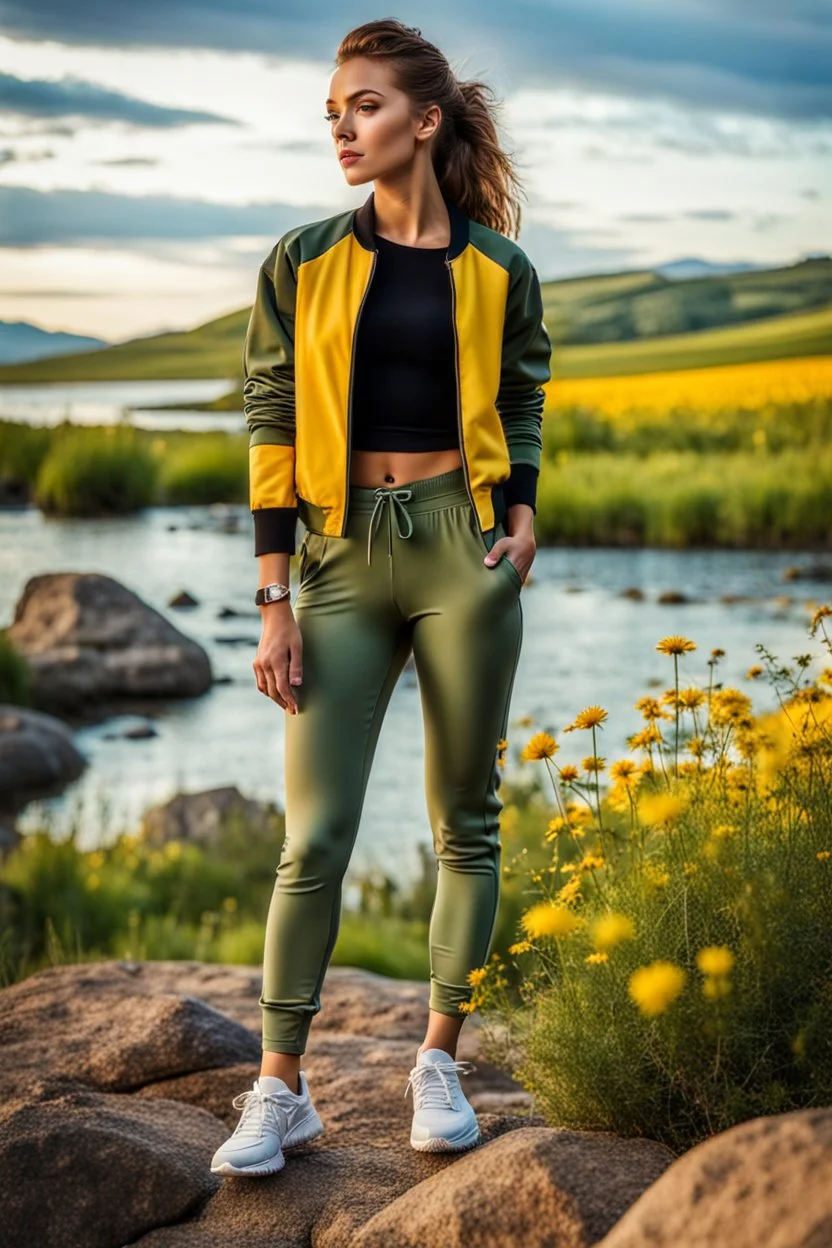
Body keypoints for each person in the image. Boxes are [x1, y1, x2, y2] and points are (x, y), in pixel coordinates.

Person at [211, 17, 551, 1178]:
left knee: (468, 816)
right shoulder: (302, 259)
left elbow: (522, 393)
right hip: (337, 558)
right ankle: (279, 1087)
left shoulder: (498, 268)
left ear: (425, 119)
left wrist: (523, 513)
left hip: (464, 548)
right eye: (334, 112)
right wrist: (271, 594)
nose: (344, 129)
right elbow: (267, 416)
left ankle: (439, 1059)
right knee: (313, 838)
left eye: (363, 106)